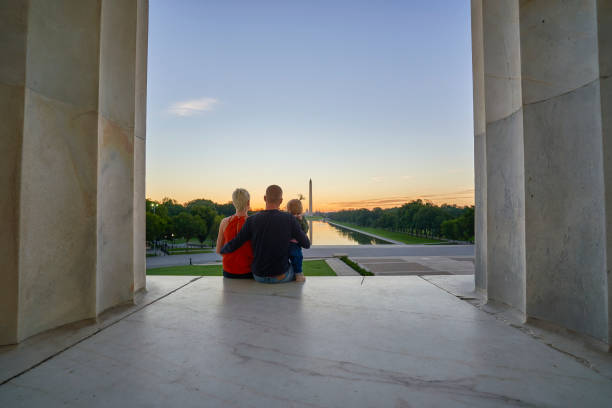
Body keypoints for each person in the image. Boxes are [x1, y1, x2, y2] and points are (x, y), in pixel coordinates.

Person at [220, 185, 310, 283]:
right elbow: (306, 244)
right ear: (281, 201)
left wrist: (223, 249)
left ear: (264, 198)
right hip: (282, 276)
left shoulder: (251, 220)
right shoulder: (289, 219)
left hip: (258, 276)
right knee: (296, 266)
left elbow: (236, 242)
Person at [216, 188, 254, 279]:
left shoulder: (224, 222)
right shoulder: (253, 222)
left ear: (233, 203)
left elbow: (218, 250)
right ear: (248, 203)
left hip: (228, 271)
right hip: (248, 271)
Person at [286, 199, 309, 282]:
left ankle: (298, 273)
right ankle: (296, 273)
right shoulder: (287, 217)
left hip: (296, 243)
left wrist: (300, 220)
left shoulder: (302, 219)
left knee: (297, 257)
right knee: (290, 258)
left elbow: (305, 230)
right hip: (287, 242)